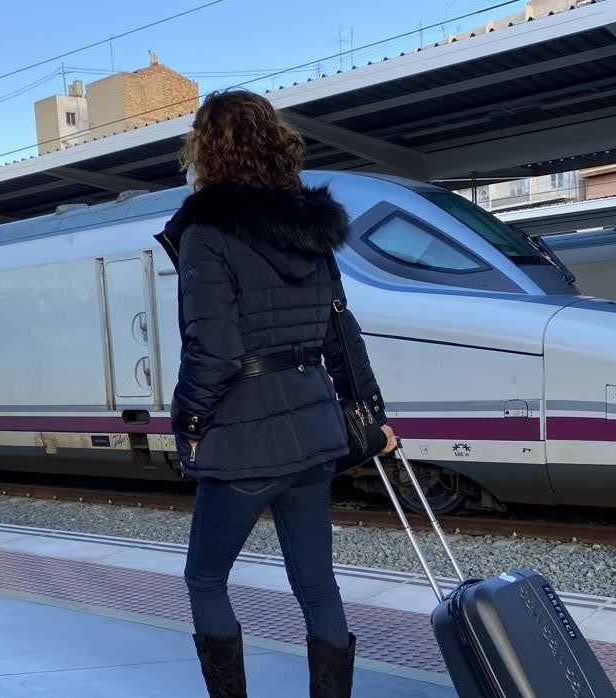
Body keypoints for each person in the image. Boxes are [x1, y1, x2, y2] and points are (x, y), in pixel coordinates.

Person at [159, 89, 395, 698]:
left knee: (205, 578)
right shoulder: (307, 230)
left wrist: (186, 420)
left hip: (243, 439)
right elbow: (341, 331)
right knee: (318, 586)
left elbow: (213, 350)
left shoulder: (206, 233)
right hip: (314, 432)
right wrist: (372, 416)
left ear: (207, 152)